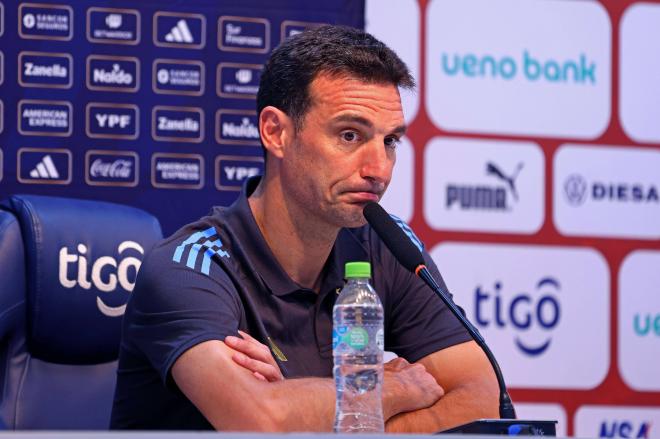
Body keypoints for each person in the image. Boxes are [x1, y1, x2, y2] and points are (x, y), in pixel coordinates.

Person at [110, 25, 498, 431]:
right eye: (350, 135)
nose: (378, 170)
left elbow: (483, 399)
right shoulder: (189, 267)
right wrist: (387, 389)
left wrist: (314, 407)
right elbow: (259, 420)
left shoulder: (386, 245)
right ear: (275, 132)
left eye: (389, 141)